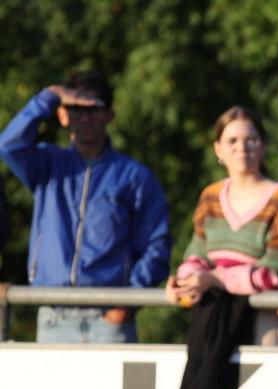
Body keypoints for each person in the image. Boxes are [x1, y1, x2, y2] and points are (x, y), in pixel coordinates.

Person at [0, 70, 171, 342]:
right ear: (62, 114)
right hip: (53, 318)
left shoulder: (134, 176)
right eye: (75, 109)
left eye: (93, 109)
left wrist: (126, 304)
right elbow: (8, 145)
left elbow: (157, 245)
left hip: (111, 322)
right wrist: (50, 96)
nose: (84, 117)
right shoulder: (47, 164)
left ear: (109, 116)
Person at [165, 106, 278, 346]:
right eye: (232, 140)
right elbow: (197, 253)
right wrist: (185, 281)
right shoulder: (210, 196)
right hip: (214, 317)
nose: (242, 148)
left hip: (265, 319)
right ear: (218, 148)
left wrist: (216, 279)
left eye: (251, 139)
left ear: (263, 146)